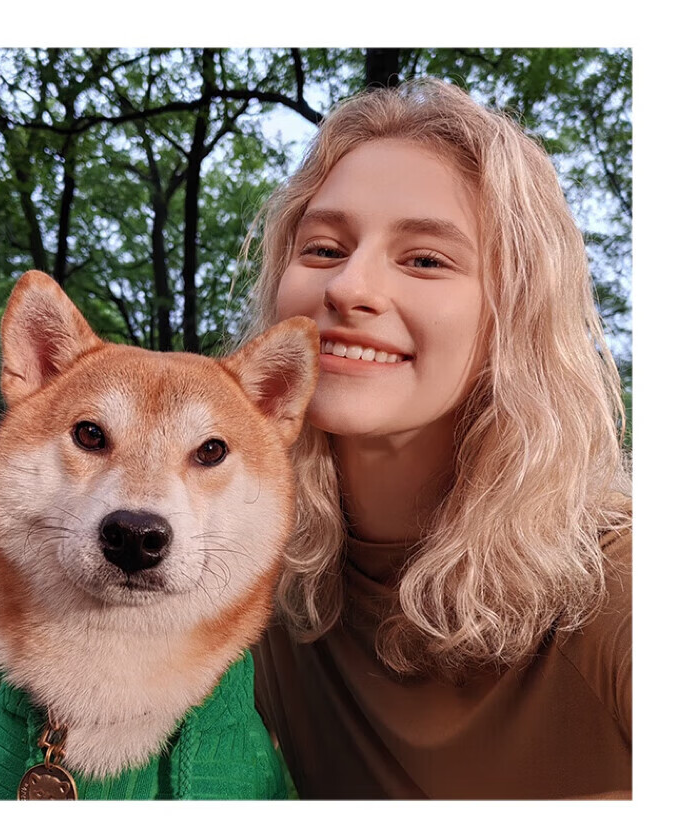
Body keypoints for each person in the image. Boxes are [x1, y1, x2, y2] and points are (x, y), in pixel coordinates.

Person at [239, 78, 632, 800]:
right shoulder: (247, 569)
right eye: (322, 248)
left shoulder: (621, 575)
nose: (349, 287)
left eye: (424, 259)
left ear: (514, 318)